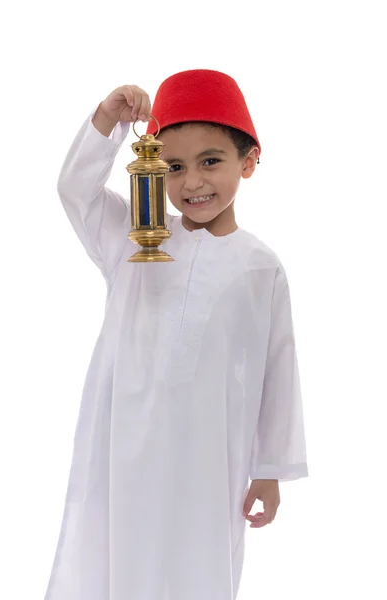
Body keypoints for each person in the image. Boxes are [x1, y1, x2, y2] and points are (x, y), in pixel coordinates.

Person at [44, 69, 308, 600]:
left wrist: (269, 470)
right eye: (173, 167)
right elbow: (74, 189)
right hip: (124, 448)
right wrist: (108, 121)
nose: (191, 183)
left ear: (249, 161)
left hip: (212, 454)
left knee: (200, 563)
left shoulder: (261, 267)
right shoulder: (131, 237)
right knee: (120, 558)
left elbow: (278, 371)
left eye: (211, 161)